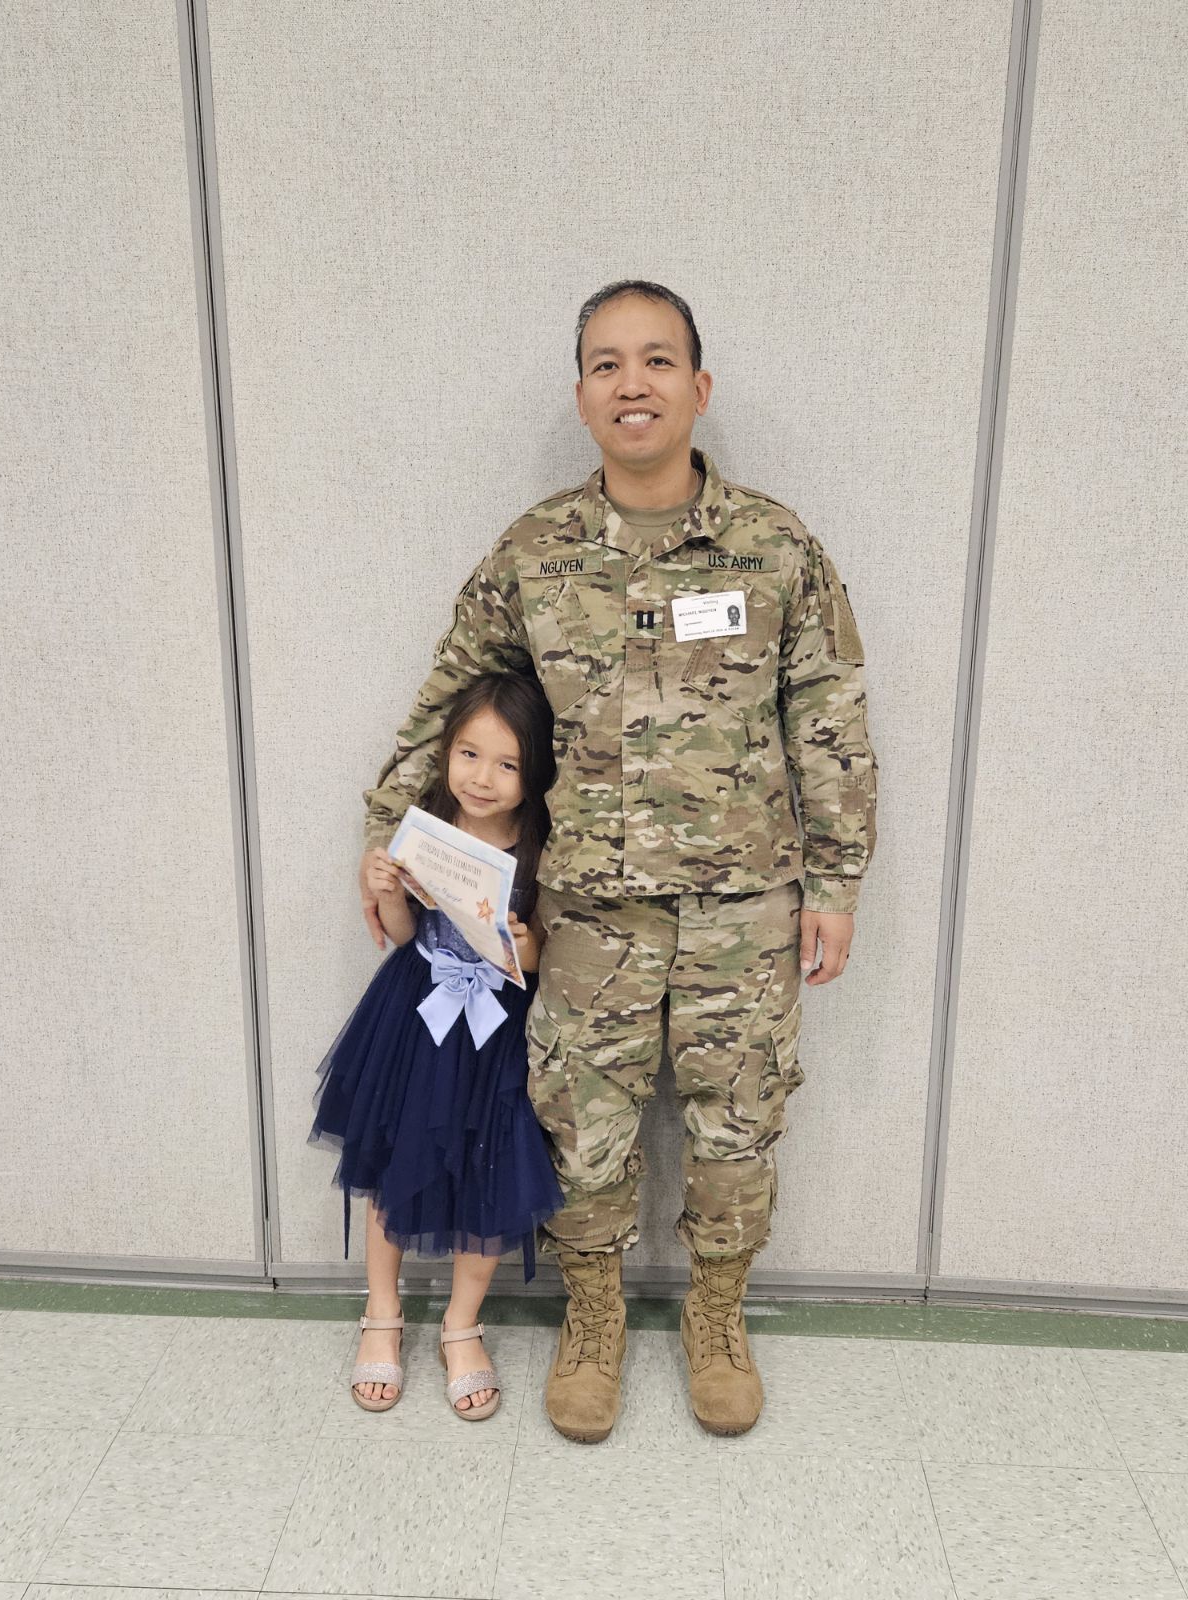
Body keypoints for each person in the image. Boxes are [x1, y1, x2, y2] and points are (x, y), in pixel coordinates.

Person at [359, 280, 878, 1441]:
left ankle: (717, 1317)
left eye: (656, 361)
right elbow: (453, 691)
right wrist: (389, 827)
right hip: (585, 910)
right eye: (606, 364)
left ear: (699, 388)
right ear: (582, 395)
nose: (631, 383)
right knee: (580, 1121)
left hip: (745, 908)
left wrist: (837, 881)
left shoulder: (775, 545)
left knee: (737, 1123)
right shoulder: (536, 552)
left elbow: (830, 718)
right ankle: (593, 1318)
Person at [312, 672, 563, 1419]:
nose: (483, 778)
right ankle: (382, 1312)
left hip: (496, 1031)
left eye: (508, 764)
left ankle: (462, 1325)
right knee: (392, 1163)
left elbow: (547, 949)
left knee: (489, 1172)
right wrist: (388, 882)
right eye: (469, 753)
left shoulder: (543, 843)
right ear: (447, 752)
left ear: (535, 772)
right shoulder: (424, 822)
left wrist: (529, 943)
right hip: (416, 1018)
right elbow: (396, 931)